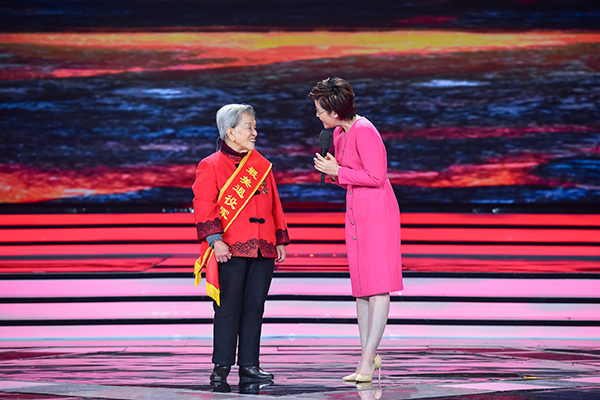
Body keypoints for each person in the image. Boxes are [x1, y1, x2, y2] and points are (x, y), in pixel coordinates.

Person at [310, 77, 403, 382]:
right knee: (362, 287)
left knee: (378, 285)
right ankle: (367, 355)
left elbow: (376, 177)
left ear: (335, 111)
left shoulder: (365, 131)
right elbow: (350, 177)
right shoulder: (339, 134)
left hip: (377, 211)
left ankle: (367, 360)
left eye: (320, 110)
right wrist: (333, 172)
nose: (318, 116)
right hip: (355, 210)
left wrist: (338, 170)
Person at [192, 104, 290, 385]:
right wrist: (215, 240)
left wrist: (279, 238)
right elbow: (204, 204)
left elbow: (274, 203)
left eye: (254, 127)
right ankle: (221, 365)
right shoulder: (210, 164)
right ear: (230, 132)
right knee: (228, 308)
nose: (254, 132)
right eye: (249, 127)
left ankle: (250, 365)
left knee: (255, 307)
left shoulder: (261, 165)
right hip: (230, 248)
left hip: (263, 246)